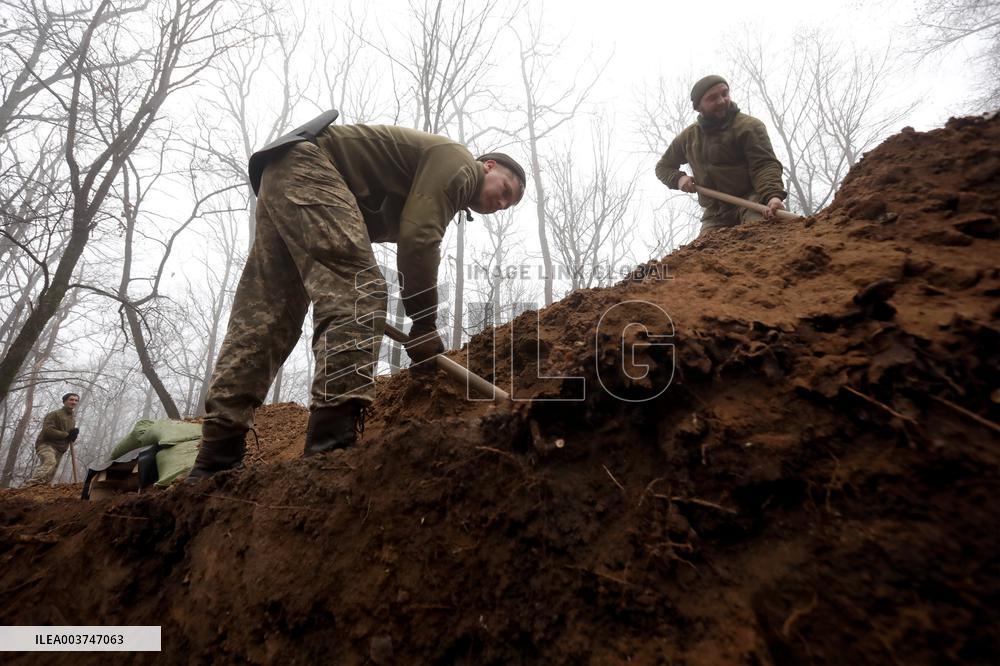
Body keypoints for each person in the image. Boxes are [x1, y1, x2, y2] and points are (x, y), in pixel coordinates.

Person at [188, 112, 526, 480]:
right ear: (488, 166)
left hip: (283, 171)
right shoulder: (461, 165)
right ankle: (330, 448)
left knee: (268, 313)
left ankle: (217, 454)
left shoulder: (443, 177)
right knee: (359, 291)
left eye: (508, 206)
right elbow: (419, 239)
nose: (501, 205)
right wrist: (425, 323)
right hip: (310, 165)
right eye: (505, 191)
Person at [655, 75, 787, 237]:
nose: (722, 101)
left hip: (752, 202)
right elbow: (663, 167)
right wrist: (678, 178)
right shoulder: (688, 138)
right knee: (702, 255)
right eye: (712, 98)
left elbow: (764, 165)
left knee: (760, 238)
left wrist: (773, 196)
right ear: (698, 107)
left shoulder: (749, 127)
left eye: (725, 94)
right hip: (715, 213)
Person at [24, 392, 79, 487]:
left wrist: (73, 436)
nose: (73, 402)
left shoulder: (72, 419)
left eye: (76, 400)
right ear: (65, 401)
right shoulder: (54, 414)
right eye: (71, 399)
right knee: (50, 462)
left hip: (60, 448)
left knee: (50, 473)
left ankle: (38, 492)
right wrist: (66, 435)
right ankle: (28, 486)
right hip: (46, 444)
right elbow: (47, 430)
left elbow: (69, 436)